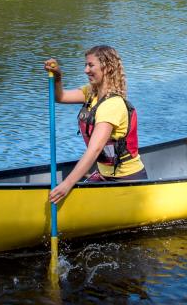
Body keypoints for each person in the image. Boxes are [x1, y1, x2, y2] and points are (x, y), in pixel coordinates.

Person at [44, 45, 146, 204]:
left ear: (107, 68)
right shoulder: (91, 93)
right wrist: (57, 77)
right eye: (85, 65)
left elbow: (95, 149)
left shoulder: (112, 105)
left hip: (126, 180)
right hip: (104, 175)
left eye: (91, 65)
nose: (86, 70)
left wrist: (67, 184)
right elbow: (60, 97)